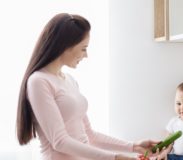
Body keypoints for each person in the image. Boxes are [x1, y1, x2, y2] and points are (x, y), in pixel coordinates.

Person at [16, 13, 158, 160]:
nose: (86, 55)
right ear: (65, 45)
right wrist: (116, 158)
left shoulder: (69, 80)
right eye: (83, 48)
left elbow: (90, 136)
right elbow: (59, 141)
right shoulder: (39, 81)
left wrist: (134, 146)